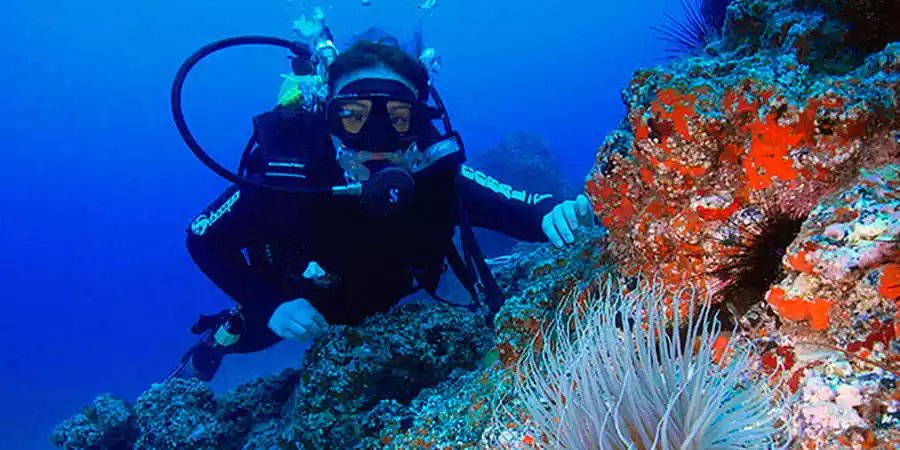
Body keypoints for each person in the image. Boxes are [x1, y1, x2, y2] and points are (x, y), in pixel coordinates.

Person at [172, 37, 592, 381]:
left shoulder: (435, 177)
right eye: (353, 117)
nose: (376, 139)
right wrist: (268, 305)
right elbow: (202, 238)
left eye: (397, 117)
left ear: (420, 120)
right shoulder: (288, 180)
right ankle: (214, 345)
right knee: (243, 334)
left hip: (385, 300)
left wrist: (556, 211)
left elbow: (523, 208)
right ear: (328, 116)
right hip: (303, 304)